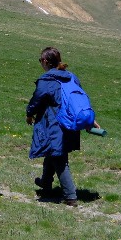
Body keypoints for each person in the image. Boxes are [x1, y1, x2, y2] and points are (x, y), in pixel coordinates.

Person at [26, 47, 92, 206]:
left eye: (40, 60)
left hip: (55, 123)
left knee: (59, 158)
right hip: (71, 123)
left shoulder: (47, 80)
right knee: (53, 152)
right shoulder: (72, 77)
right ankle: (46, 184)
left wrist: (29, 113)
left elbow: (37, 99)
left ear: (45, 61)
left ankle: (70, 196)